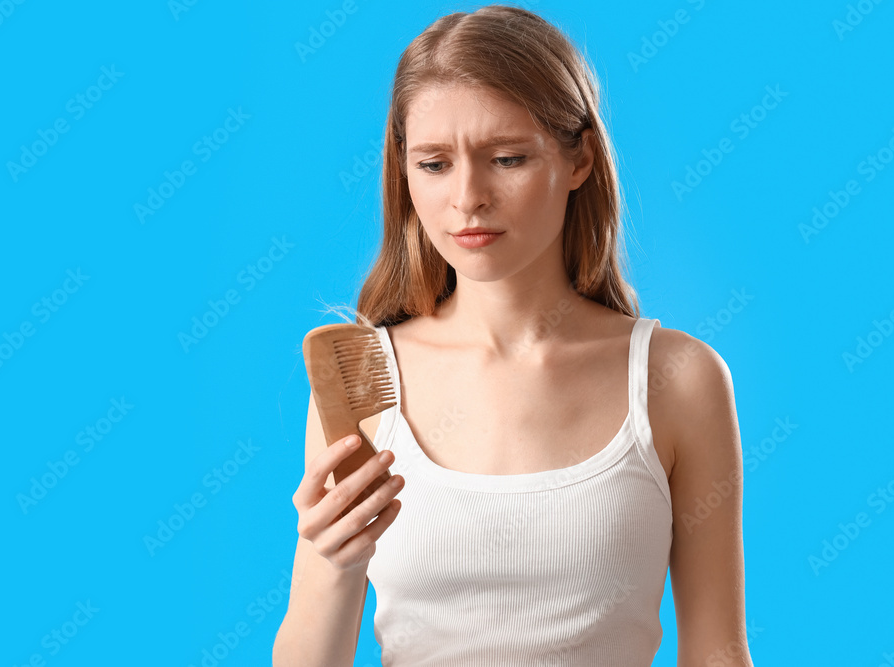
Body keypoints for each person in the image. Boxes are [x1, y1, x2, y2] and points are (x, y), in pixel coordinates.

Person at [275, 5, 753, 666]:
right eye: (434, 164)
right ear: (403, 172)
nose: (468, 196)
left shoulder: (679, 379)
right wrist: (333, 560)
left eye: (507, 158)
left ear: (580, 158)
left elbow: (719, 655)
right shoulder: (359, 380)